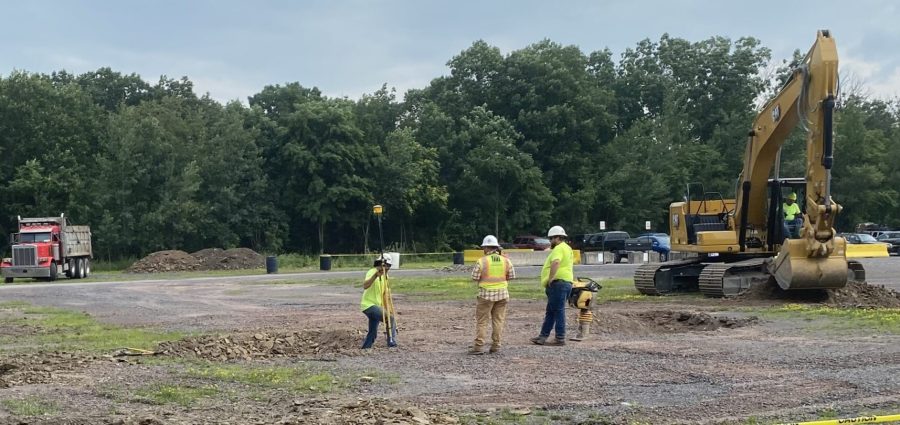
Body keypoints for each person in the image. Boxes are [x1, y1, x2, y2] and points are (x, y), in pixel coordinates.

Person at [469, 235, 515, 355]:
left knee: (482, 321)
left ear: (486, 248)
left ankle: (478, 347)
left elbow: (474, 277)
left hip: (485, 295)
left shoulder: (482, 261)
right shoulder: (506, 260)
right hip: (503, 294)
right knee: (498, 320)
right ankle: (496, 346)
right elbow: (511, 276)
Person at [531, 225, 575, 346]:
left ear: (557, 238)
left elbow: (556, 262)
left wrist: (550, 279)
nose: (550, 241)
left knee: (558, 311)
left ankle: (560, 337)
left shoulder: (559, 248)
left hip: (558, 283)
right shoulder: (567, 248)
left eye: (551, 239)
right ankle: (542, 336)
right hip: (566, 283)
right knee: (552, 311)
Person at [360, 256, 397, 349]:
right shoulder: (372, 272)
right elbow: (365, 285)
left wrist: (387, 309)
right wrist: (376, 275)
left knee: (373, 332)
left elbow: (385, 295)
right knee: (391, 319)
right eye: (386, 265)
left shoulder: (386, 277)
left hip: (376, 306)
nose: (387, 268)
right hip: (368, 305)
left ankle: (365, 348)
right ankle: (391, 342)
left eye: (389, 266)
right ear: (380, 264)